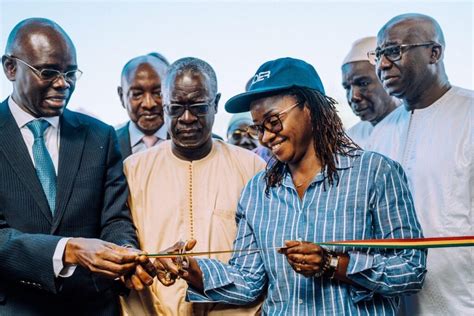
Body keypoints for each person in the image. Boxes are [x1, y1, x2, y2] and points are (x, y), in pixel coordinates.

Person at [156, 57, 427, 315]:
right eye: (258, 128)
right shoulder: (256, 192)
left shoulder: (376, 173)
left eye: (273, 121)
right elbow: (249, 281)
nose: (265, 137)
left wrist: (334, 264)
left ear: (310, 108)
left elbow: (412, 269)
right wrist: (191, 269)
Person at [0, 18, 155, 315]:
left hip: (93, 307)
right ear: (10, 67)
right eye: (48, 72)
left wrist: (125, 255)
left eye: (70, 73)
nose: (63, 83)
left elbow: (115, 219)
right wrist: (67, 250)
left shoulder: (99, 135)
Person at [122, 57, 265, 315]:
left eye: (198, 106)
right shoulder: (132, 170)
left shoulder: (252, 168)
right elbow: (121, 243)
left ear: (216, 103)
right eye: (176, 108)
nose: (187, 118)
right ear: (164, 106)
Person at [367, 13, 473, 315]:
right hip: (393, 299)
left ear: (434, 53)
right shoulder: (382, 132)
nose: (382, 64)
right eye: (378, 55)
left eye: (393, 51)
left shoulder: (469, 114)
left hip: (461, 298)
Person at [341, 36, 399, 148]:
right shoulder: (350, 139)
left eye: (363, 84)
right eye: (347, 87)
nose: (353, 96)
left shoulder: (411, 125)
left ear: (386, 79)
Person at [116, 54, 169, 159]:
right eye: (137, 94)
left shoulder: (198, 143)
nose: (149, 104)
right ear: (122, 96)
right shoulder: (107, 146)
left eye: (158, 93)